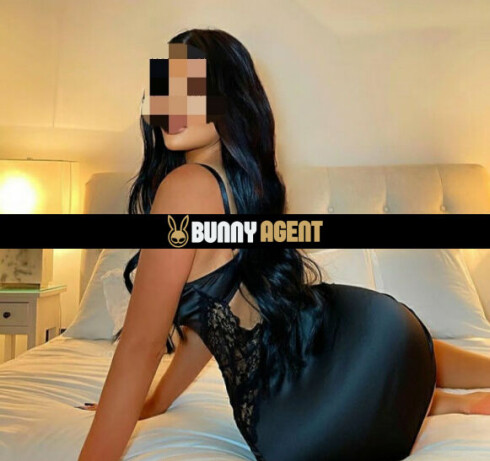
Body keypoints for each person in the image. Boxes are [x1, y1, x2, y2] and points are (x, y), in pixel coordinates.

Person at [78, 28, 490, 461]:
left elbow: (141, 345)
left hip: (307, 413)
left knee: (352, 368)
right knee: (370, 352)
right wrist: (153, 404)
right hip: (379, 339)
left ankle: (429, 401)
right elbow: (208, 327)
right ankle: (437, 400)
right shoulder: (246, 187)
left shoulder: (183, 188)